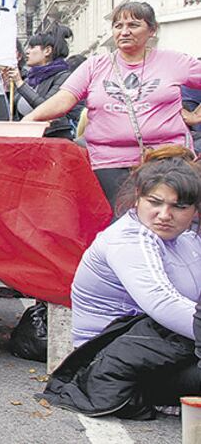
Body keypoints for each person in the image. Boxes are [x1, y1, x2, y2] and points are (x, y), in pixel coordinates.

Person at [41, 146, 201, 418]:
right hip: (110, 363)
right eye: (155, 202)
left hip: (163, 348)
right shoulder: (128, 239)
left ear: (195, 210)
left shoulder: (186, 238)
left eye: (178, 207)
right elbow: (162, 303)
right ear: (138, 198)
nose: (164, 214)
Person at [23, 1, 201, 208]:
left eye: (133, 25)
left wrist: (196, 115)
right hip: (109, 163)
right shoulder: (94, 65)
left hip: (168, 159)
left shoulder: (175, 61)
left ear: (152, 30)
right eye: (118, 26)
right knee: (120, 221)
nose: (124, 32)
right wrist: (30, 119)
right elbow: (65, 98)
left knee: (165, 220)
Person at [4, 24, 76, 139]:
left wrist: (20, 83)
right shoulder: (29, 78)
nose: (27, 52)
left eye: (32, 47)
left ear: (47, 51)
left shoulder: (63, 77)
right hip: (28, 137)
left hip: (53, 137)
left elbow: (47, 108)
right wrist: (7, 87)